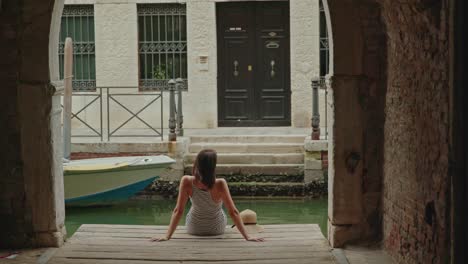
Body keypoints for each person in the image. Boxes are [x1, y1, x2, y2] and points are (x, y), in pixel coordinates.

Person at [150, 149, 265, 242]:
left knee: (194, 210)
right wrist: (247, 237)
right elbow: (233, 212)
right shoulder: (220, 183)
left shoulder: (187, 181)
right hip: (217, 229)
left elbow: (178, 211)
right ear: (213, 166)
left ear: (198, 164)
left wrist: (167, 236)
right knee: (220, 211)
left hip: (194, 228)